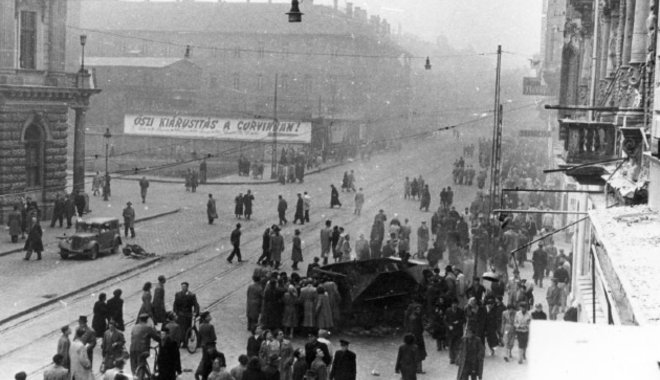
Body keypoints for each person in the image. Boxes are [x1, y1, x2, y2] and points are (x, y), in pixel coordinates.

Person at [445, 298, 465, 364]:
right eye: (453, 304)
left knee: (458, 345)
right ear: (451, 304)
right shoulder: (448, 311)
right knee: (451, 345)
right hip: (450, 332)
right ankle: (452, 358)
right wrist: (448, 326)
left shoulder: (461, 311)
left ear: (457, 304)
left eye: (455, 304)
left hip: (458, 331)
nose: (454, 305)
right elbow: (445, 320)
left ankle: (457, 359)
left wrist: (458, 322)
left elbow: (464, 320)